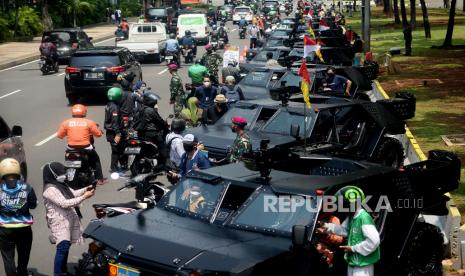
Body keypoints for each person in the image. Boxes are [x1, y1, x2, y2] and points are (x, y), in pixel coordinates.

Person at [42, 162, 95, 276]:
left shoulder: (61, 184)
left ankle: (64, 272)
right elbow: (64, 203)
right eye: (60, 173)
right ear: (53, 174)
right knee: (62, 247)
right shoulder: (49, 189)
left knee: (66, 246)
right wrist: (84, 196)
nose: (64, 175)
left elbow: (73, 193)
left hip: (68, 219)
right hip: (59, 222)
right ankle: (58, 273)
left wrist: (87, 188)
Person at [320, 186, 380, 276]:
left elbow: (374, 241)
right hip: (353, 262)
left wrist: (353, 248)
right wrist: (326, 227)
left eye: (343, 205)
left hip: (362, 265)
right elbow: (345, 230)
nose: (342, 208)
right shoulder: (352, 216)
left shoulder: (364, 218)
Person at [0, 158, 37, 276]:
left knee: (8, 258)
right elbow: (33, 205)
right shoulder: (27, 187)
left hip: (4, 230)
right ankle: (22, 273)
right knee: (23, 255)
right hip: (24, 229)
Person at [57, 104, 106, 185]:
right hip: (85, 147)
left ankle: (66, 175)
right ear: (84, 112)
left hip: (71, 148)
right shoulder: (89, 122)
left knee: (67, 159)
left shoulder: (66, 123)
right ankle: (99, 179)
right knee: (96, 159)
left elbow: (60, 136)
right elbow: (98, 135)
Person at [138, 91, 169, 163]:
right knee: (162, 147)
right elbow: (160, 121)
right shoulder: (151, 110)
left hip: (141, 133)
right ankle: (166, 163)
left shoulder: (141, 109)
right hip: (152, 133)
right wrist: (165, 125)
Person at [104, 87, 124, 174]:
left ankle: (118, 166)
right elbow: (114, 121)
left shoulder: (109, 104)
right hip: (113, 132)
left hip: (110, 132)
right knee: (116, 151)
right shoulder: (114, 107)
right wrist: (118, 134)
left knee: (117, 149)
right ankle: (114, 168)